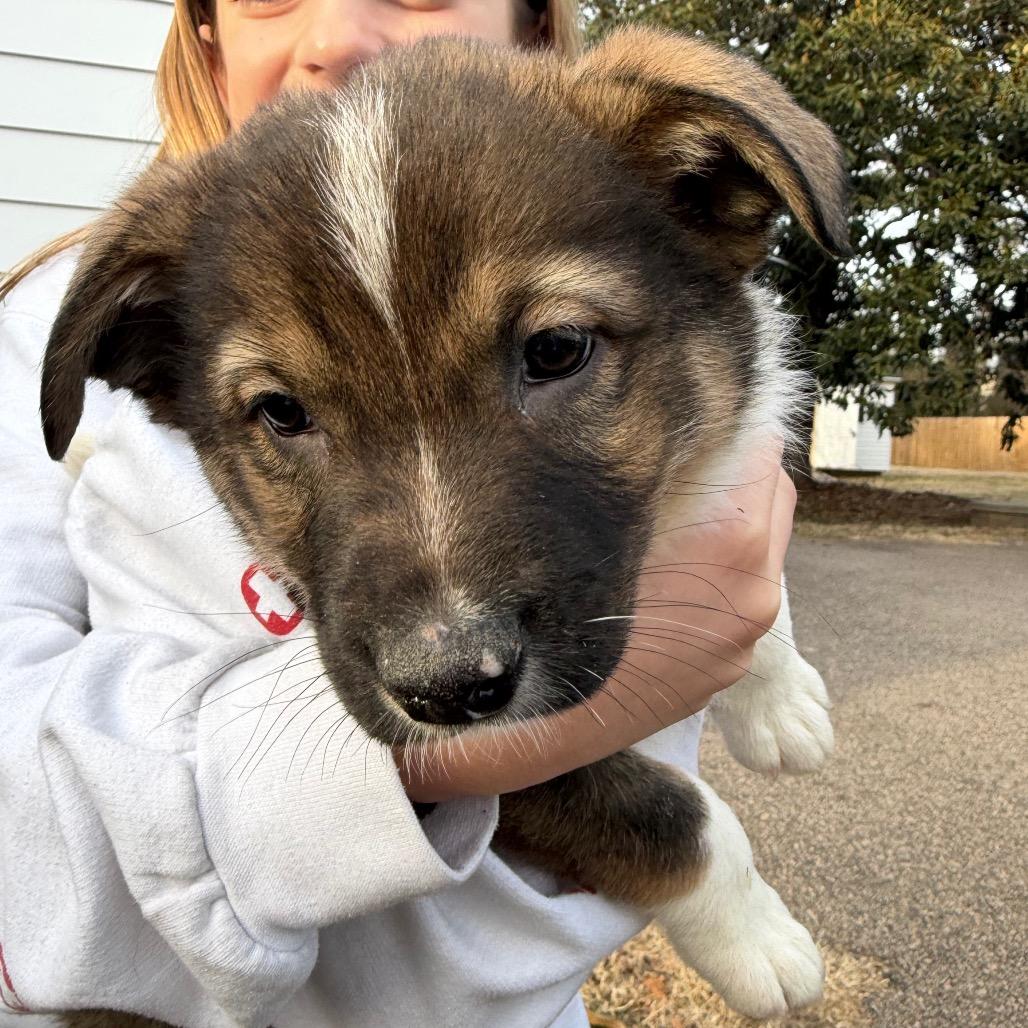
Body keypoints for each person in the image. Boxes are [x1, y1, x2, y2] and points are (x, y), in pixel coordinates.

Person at [0, 1, 797, 1025]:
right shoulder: (95, 309)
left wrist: (758, 638)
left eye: (552, 350)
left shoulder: (599, 176)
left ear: (531, 20)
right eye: (282, 412)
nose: (336, 33)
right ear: (203, 36)